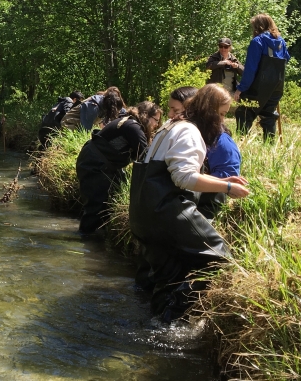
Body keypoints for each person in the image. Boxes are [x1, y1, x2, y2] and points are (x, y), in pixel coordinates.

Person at [129, 84, 249, 323]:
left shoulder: (170, 126)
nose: (223, 121)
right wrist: (227, 187)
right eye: (222, 114)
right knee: (219, 259)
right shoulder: (190, 131)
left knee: (168, 277)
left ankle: (158, 327)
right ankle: (174, 320)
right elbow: (183, 177)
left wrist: (219, 179)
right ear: (209, 110)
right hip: (166, 212)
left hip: (142, 214)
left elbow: (171, 168)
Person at [76, 101, 162, 235]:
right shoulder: (133, 127)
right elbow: (146, 156)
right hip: (94, 165)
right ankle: (86, 243)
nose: (157, 124)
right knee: (96, 206)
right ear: (146, 116)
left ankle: (97, 239)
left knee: (104, 205)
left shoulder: (130, 123)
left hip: (96, 162)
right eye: (156, 120)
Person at [167, 86, 242, 219]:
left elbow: (228, 183)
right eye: (221, 114)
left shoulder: (223, 143)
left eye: (223, 115)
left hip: (204, 210)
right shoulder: (187, 132)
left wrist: (227, 185)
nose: (222, 120)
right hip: (177, 204)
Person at [233, 14, 291, 141]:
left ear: (258, 26)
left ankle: (241, 144)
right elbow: (287, 58)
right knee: (269, 115)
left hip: (260, 85)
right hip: (277, 84)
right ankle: (269, 146)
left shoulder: (257, 41)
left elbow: (250, 68)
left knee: (244, 112)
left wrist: (241, 88)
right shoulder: (281, 41)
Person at [61, 86, 126, 131]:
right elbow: (85, 130)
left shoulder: (105, 105)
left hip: (80, 126)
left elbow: (124, 112)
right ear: (112, 107)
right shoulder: (93, 107)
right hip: (69, 124)